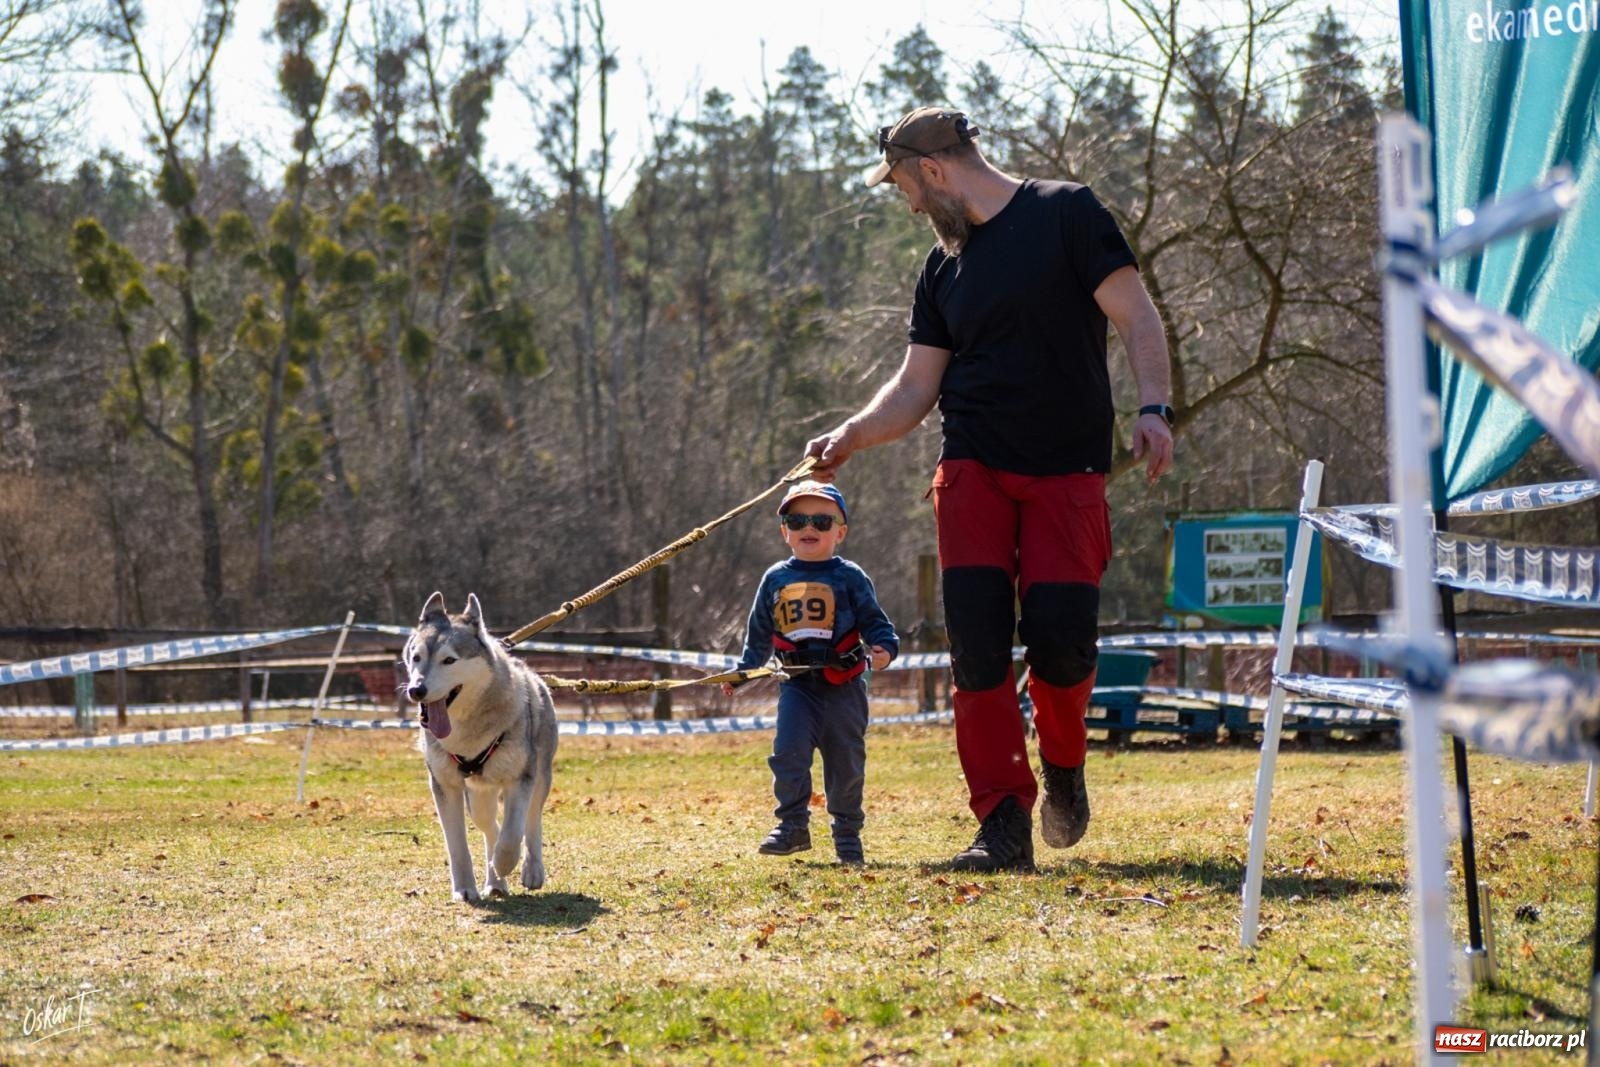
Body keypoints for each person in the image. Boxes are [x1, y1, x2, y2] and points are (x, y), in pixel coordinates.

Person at [804, 107, 1174, 873]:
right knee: (976, 647)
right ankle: (1002, 821)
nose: (910, 205)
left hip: (1067, 470)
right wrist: (851, 434)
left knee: (1062, 643)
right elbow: (915, 388)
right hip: (972, 469)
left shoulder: (1068, 213)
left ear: (934, 169)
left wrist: (1154, 407)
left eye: (905, 186)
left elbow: (1137, 316)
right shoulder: (942, 269)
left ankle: (1064, 764)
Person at [723, 480, 899, 866]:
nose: (809, 527)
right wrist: (743, 672)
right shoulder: (774, 578)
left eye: (821, 521)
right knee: (788, 753)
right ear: (784, 531)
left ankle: (847, 835)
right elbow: (759, 634)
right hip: (797, 688)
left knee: (845, 764)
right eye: (797, 520)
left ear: (841, 532)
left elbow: (876, 623)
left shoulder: (850, 576)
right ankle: (792, 826)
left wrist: (885, 649)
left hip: (844, 688)